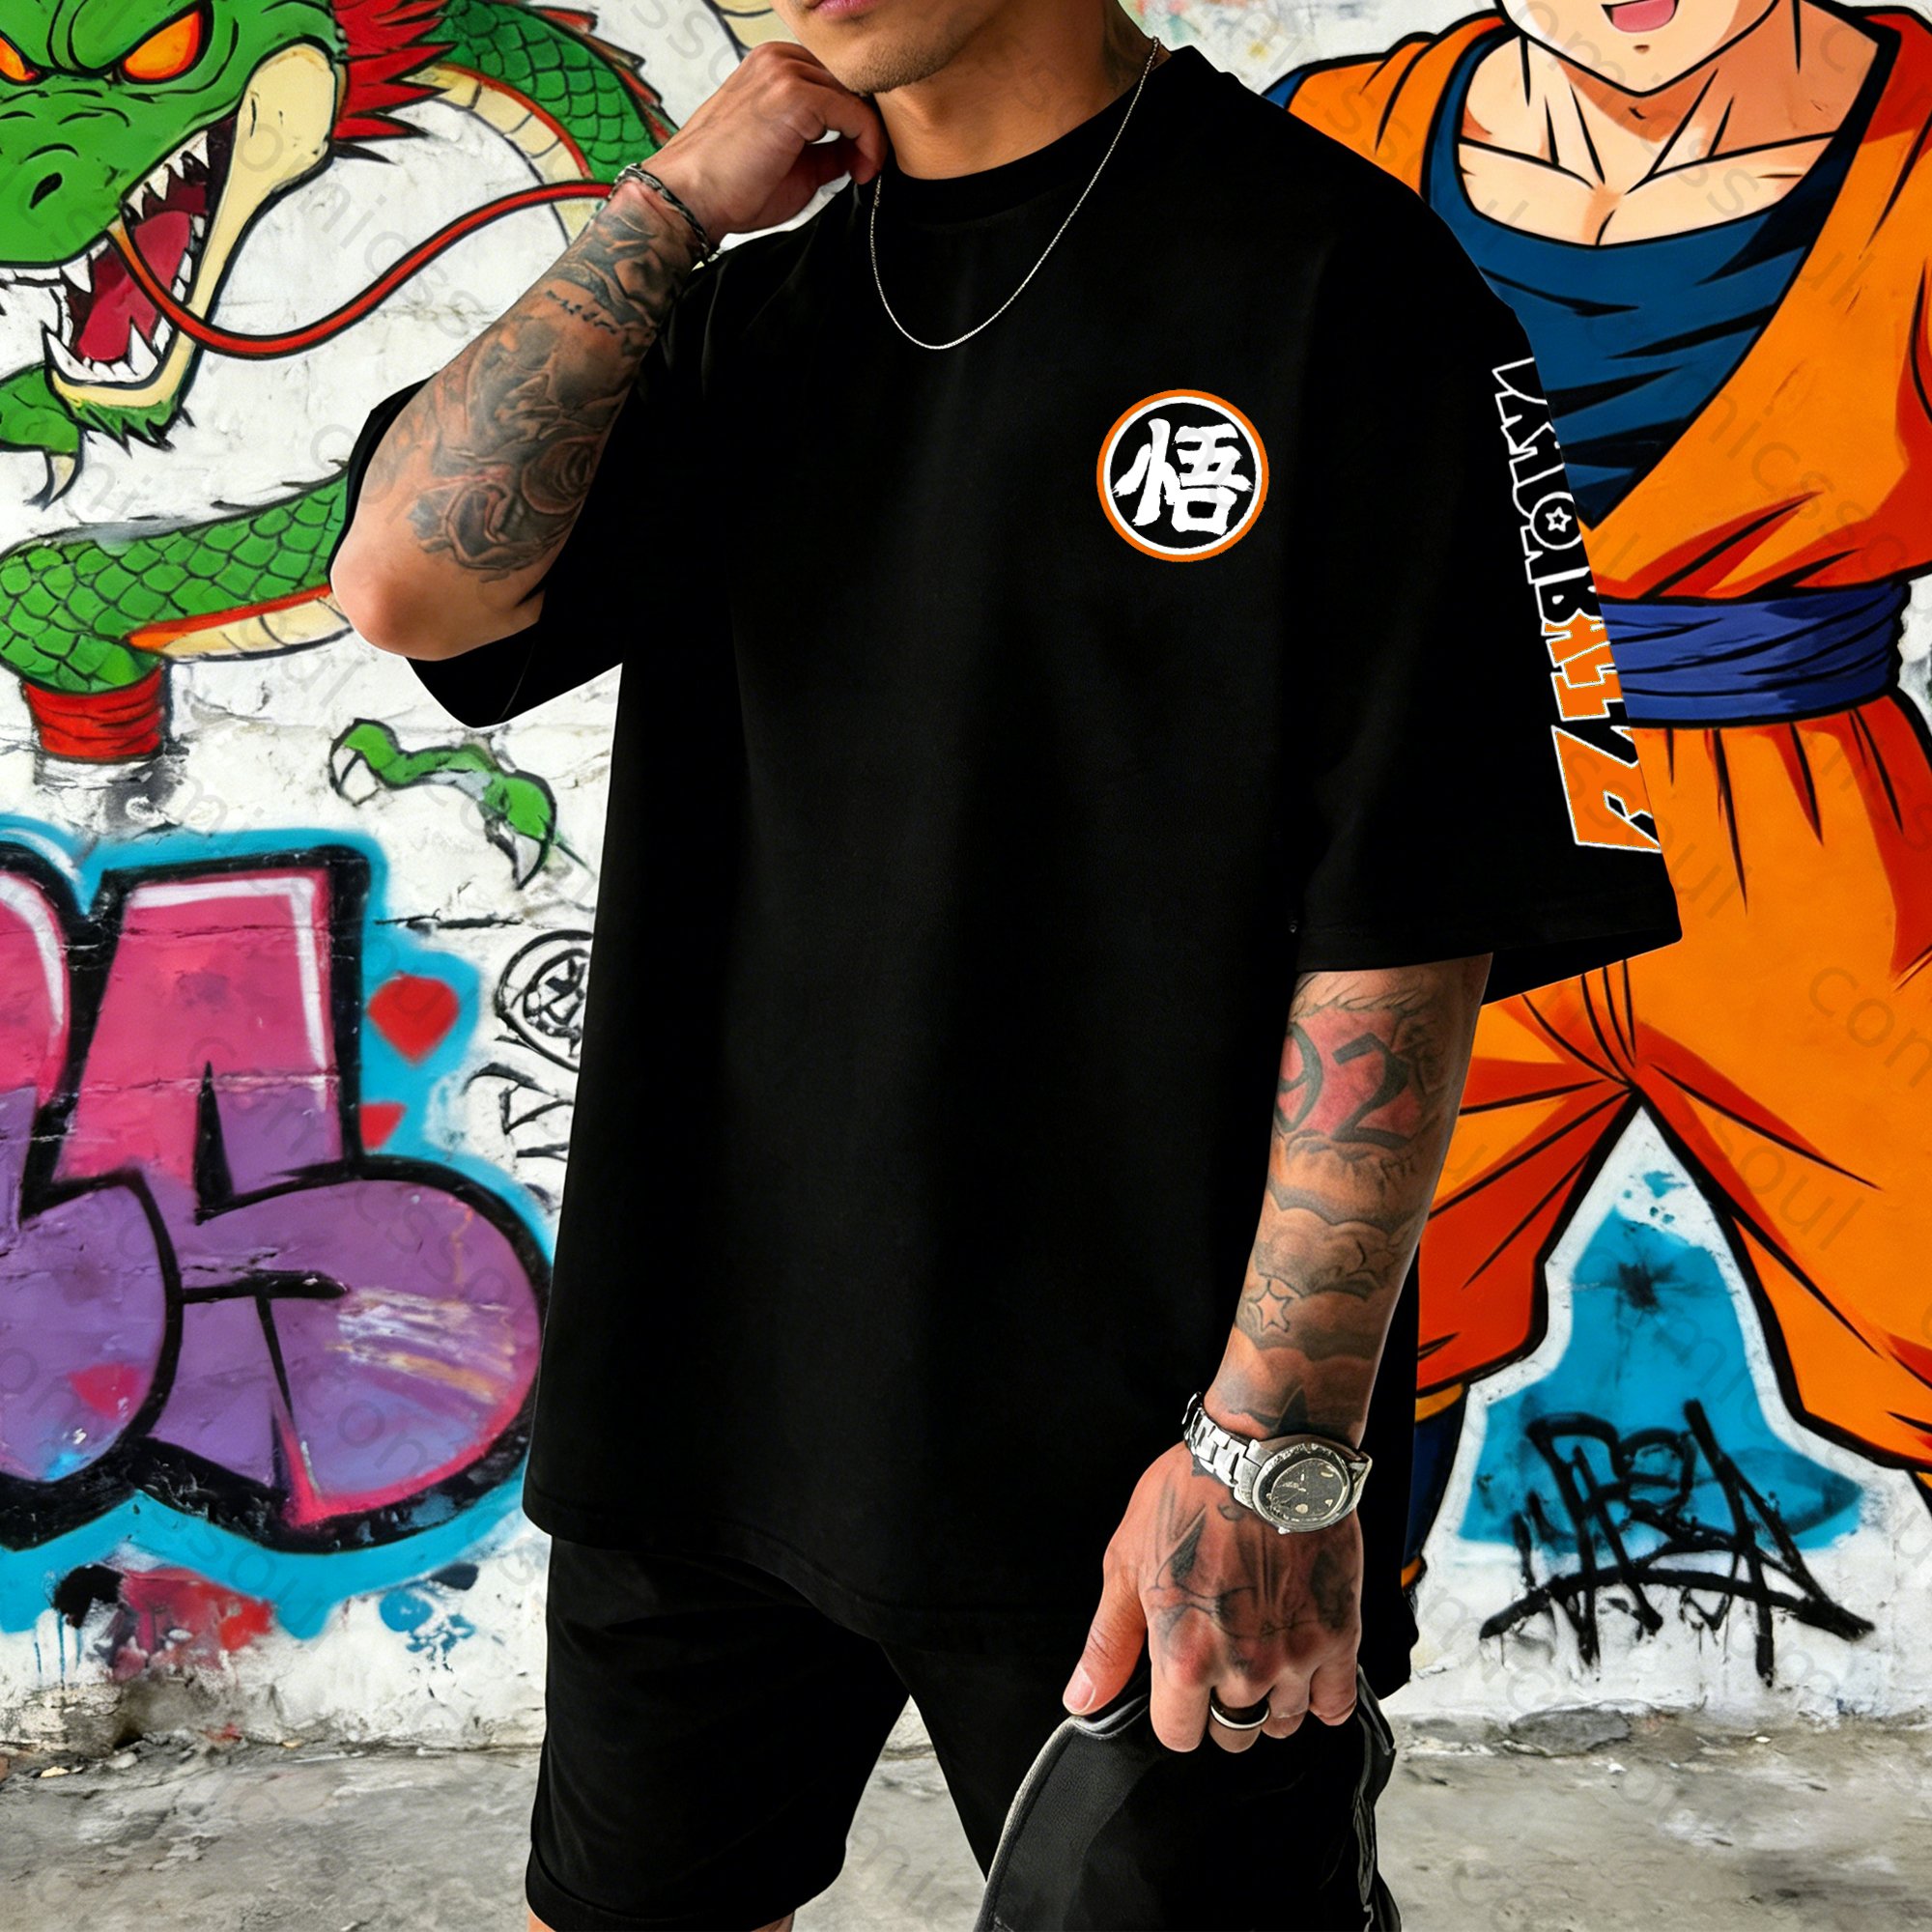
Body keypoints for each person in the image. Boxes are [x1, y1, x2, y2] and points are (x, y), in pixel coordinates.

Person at [327, 1, 1682, 1922]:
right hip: (706, 1393)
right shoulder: (741, 306)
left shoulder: (1340, 280)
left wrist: (1272, 1446)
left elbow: (1409, 918)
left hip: (1134, 1460)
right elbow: (407, 582)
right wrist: (671, 202)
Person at [1270, 0, 1932, 1587]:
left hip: (1810, 848)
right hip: (1424, 827)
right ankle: (1289, 1740)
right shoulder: (1330, 137)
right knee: (1326, 1343)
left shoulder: (1914, 158)